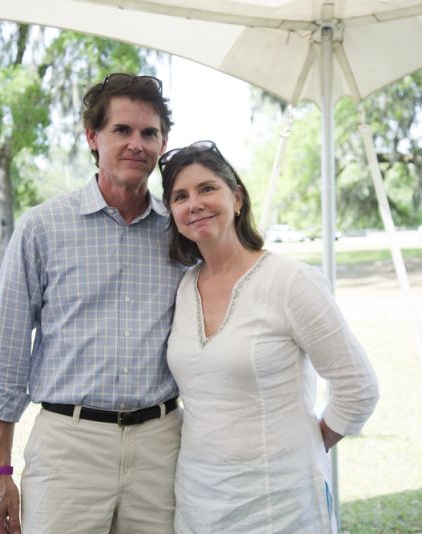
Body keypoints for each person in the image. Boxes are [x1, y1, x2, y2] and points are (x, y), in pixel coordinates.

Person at [0, 73, 186, 534]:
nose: (136, 143)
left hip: (162, 445)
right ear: (93, 137)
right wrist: (0, 472)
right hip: (69, 445)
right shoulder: (42, 228)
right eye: (122, 130)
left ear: (163, 142)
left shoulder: (181, 232)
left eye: (149, 133)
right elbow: (7, 359)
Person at [159, 140, 380, 534]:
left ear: (237, 198)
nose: (194, 203)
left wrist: (305, 446)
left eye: (207, 188)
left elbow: (358, 386)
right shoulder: (183, 287)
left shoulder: (290, 281)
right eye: (180, 196)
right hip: (198, 502)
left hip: (281, 505)